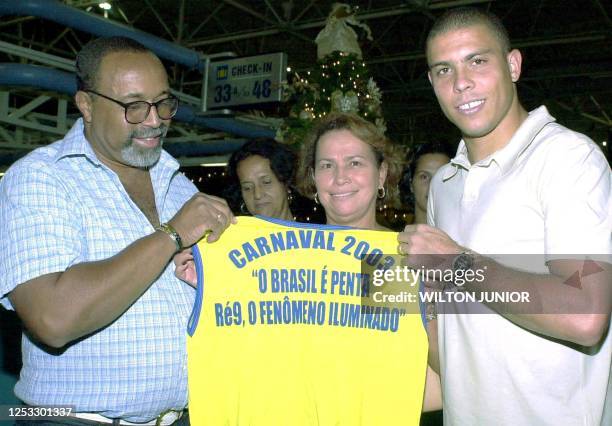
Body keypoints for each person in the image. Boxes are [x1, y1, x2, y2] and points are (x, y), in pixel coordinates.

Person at [0, 36, 234, 425]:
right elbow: (53, 319)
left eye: (163, 103)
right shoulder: (41, 177)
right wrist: (172, 235)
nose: (155, 119)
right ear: (86, 105)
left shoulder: (179, 185)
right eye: (134, 106)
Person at [398, 7, 611, 426]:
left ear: (512, 65)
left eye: (477, 61)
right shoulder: (444, 183)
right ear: (431, 83)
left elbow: (585, 314)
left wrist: (460, 264)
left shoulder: (568, 159)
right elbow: (447, 329)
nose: (461, 83)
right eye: (444, 70)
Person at [225, 138, 296, 220]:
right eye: (247, 188)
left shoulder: (310, 232)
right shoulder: (232, 232)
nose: (257, 195)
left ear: (286, 182)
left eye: (266, 182)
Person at [399, 142, 453, 224]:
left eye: (441, 177)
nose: (433, 185)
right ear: (410, 184)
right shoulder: (395, 236)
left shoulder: (469, 235)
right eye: (424, 177)